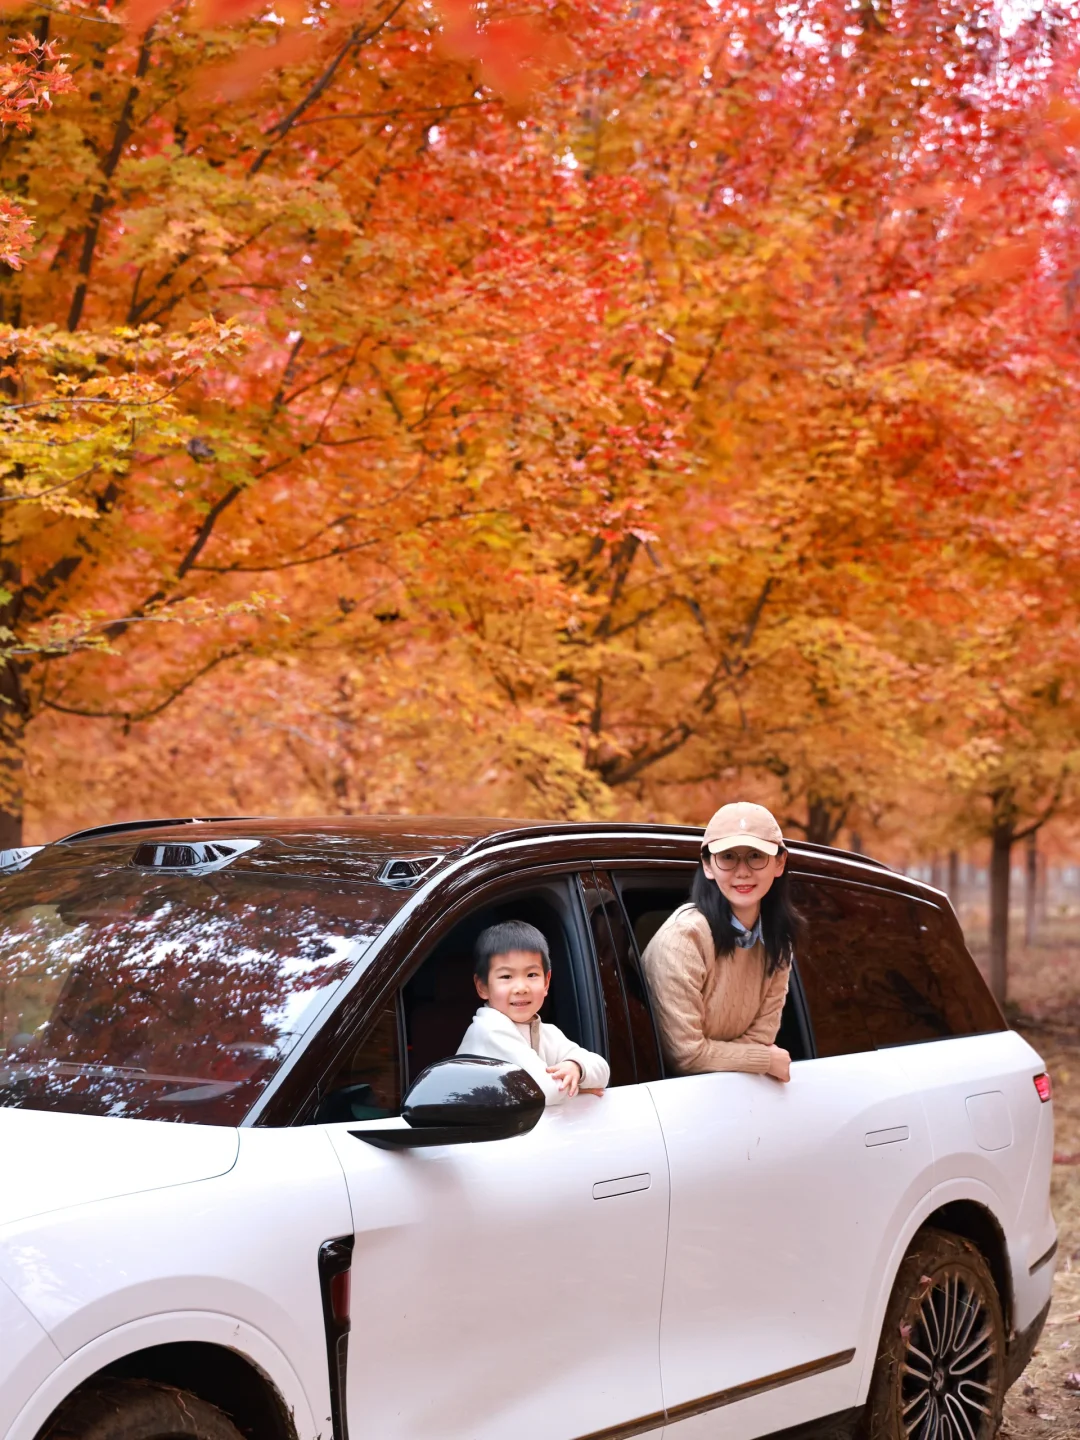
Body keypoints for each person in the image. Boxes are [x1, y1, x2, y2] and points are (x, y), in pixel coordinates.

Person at [640, 801, 798, 1082]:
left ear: (780, 862)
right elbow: (685, 1054)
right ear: (707, 865)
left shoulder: (779, 941)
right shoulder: (684, 940)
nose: (742, 871)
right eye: (727, 857)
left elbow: (762, 1037)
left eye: (755, 856)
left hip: (732, 1098)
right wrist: (764, 1060)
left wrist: (730, 1056)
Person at [457, 920, 610, 1104]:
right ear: (482, 987)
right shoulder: (488, 1030)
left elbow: (603, 1072)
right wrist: (579, 1088)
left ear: (546, 982)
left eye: (531, 975)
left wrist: (576, 1067)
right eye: (506, 976)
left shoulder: (548, 1032)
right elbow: (545, 1091)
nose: (521, 988)